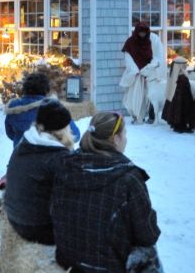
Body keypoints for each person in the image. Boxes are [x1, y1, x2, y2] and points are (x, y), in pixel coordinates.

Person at [51, 112, 162, 273]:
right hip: (110, 267)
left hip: (69, 261)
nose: (126, 139)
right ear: (116, 139)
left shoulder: (64, 166)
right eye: (125, 134)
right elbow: (148, 235)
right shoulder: (129, 179)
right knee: (150, 255)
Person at [4, 99, 75, 245]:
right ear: (62, 130)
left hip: (14, 218)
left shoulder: (26, 142)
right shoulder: (58, 158)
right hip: (38, 229)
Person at [4, 73, 80, 147]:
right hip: (52, 156)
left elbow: (10, 133)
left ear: (25, 89)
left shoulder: (13, 107)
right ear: (46, 89)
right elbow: (75, 135)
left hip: (21, 155)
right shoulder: (54, 107)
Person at [119, 22, 166, 124]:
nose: (142, 35)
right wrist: (135, 70)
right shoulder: (131, 42)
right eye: (140, 33)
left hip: (149, 74)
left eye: (144, 33)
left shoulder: (153, 40)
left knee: (149, 96)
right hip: (137, 74)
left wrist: (150, 68)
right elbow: (128, 57)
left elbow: (158, 56)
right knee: (135, 97)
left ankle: (150, 116)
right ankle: (137, 117)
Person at [162, 57, 195, 133]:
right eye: (185, 64)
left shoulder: (173, 74)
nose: (186, 66)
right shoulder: (182, 76)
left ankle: (176, 124)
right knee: (180, 110)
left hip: (175, 99)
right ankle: (180, 125)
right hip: (182, 100)